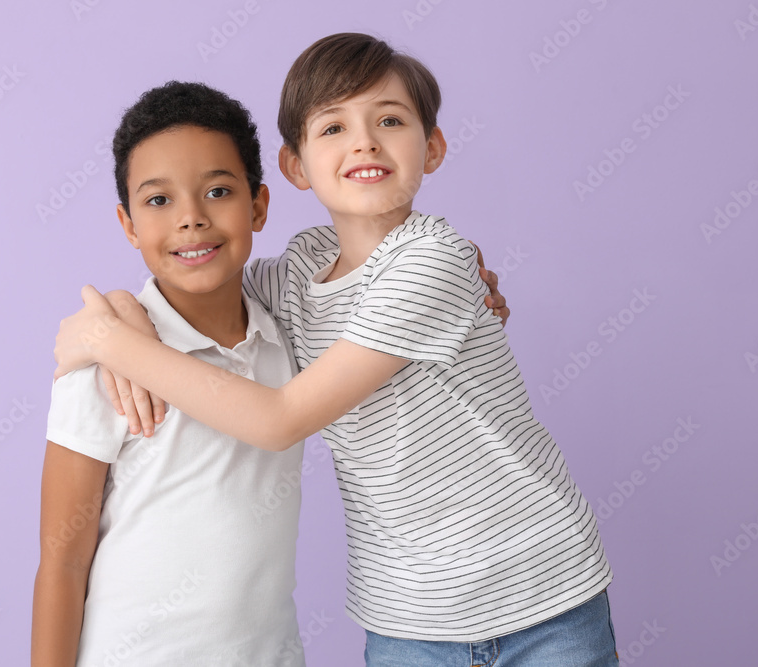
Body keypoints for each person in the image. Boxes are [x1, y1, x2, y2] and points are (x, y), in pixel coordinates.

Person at [53, 33, 616, 666]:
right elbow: (194, 286)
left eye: (390, 120)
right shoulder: (299, 271)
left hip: (540, 593)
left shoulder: (435, 260)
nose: (365, 142)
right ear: (294, 167)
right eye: (333, 128)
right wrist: (116, 314)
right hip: (405, 616)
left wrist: (107, 341)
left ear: (431, 148)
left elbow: (280, 420)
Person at [31, 81, 308, 666]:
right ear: (128, 224)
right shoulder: (102, 367)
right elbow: (62, 561)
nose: (191, 219)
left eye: (217, 191)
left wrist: (469, 279)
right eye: (158, 201)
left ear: (259, 205)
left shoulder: (288, 330)